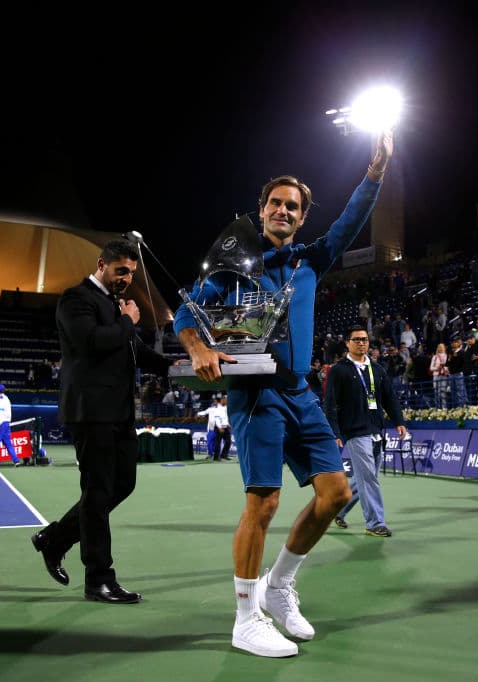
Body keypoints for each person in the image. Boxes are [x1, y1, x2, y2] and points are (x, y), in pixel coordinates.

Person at [174, 130, 392, 658]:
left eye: (293, 206)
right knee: (264, 503)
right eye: (275, 202)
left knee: (336, 493)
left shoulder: (312, 261)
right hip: (256, 394)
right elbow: (186, 315)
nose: (283, 210)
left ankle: (278, 586)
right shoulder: (235, 266)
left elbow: (349, 223)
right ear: (262, 209)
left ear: (301, 217)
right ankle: (245, 619)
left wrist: (374, 174)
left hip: (301, 393)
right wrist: (199, 347)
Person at [31, 239, 171, 605]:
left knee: (121, 484)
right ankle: (98, 578)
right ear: (101, 265)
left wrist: (176, 366)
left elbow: (133, 349)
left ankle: (54, 539)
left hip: (120, 411)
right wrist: (127, 320)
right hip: (91, 411)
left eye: (131, 272)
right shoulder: (75, 299)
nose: (126, 277)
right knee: (97, 492)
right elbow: (91, 341)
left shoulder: (113, 305)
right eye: (120, 270)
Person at [323, 325, 407, 537]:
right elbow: (330, 403)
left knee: (366, 477)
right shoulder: (339, 370)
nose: (361, 343)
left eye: (365, 339)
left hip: (377, 430)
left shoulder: (377, 369)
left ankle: (337, 509)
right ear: (348, 343)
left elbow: (389, 397)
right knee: (368, 477)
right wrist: (335, 432)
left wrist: (398, 421)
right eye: (357, 339)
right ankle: (374, 523)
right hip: (354, 431)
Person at [0, 384, 21, 467]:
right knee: (8, 444)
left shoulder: (0, 400)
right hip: (6, 424)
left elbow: (0, 413)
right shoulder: (6, 398)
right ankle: (16, 461)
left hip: (0, 424)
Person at [212, 395, 232, 461]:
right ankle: (216, 457)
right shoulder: (218, 407)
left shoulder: (226, 408)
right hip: (218, 427)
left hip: (225, 427)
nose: (227, 401)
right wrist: (220, 427)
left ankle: (224, 455)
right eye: (226, 400)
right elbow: (217, 418)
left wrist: (228, 425)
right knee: (218, 443)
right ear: (222, 400)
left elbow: (225, 418)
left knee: (228, 441)